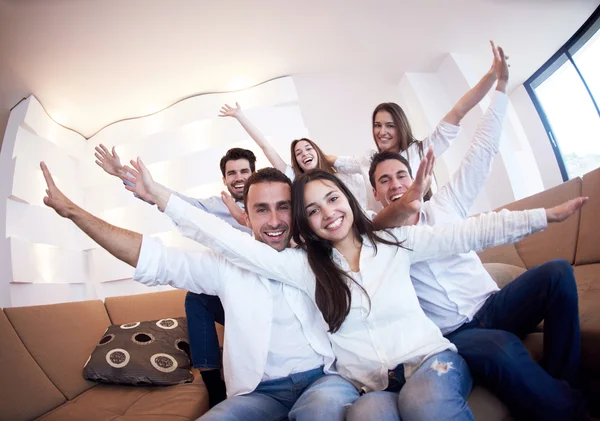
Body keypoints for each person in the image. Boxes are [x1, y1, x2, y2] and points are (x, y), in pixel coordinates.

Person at [123, 151, 586, 420]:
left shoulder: (395, 243)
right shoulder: (304, 267)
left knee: (427, 405)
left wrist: (542, 217)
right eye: (315, 210)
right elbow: (227, 241)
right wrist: (163, 197)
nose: (328, 212)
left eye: (333, 199)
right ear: (307, 223)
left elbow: (467, 232)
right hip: (368, 385)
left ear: (348, 199)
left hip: (429, 360)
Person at [41, 162, 360, 421]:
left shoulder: (318, 256)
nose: (275, 220)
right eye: (262, 210)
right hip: (258, 393)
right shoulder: (225, 266)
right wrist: (74, 213)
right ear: (245, 217)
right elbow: (154, 259)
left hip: (321, 381)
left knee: (324, 412)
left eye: (283, 207)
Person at [367, 51, 586, 421]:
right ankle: (572, 413)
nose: (396, 185)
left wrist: (500, 88)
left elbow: (482, 151)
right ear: (375, 195)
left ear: (419, 178)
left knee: (558, 272)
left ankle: (562, 385)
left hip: (495, 304)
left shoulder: (447, 205)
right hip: (458, 333)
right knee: (499, 346)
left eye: (401, 176)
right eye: (384, 181)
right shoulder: (380, 242)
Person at [94, 145, 258, 406]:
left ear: (254, 173)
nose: (238, 177)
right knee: (197, 299)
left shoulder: (271, 203)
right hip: (234, 301)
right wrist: (121, 174)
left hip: (268, 298)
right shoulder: (215, 207)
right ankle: (214, 389)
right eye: (232, 173)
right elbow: (173, 200)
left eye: (244, 171)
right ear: (225, 179)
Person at [334, 40, 507, 210]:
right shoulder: (368, 159)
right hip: (384, 231)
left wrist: (493, 77)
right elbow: (335, 161)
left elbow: (458, 111)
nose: (382, 131)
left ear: (401, 127)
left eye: (390, 126)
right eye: (377, 125)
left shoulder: (419, 151)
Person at [218, 103, 369, 208]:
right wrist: (240, 116)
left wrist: (332, 159)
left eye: (309, 149)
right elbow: (266, 147)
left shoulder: (343, 175)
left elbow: (366, 163)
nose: (305, 154)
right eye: (299, 153)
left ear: (317, 152)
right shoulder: (295, 180)